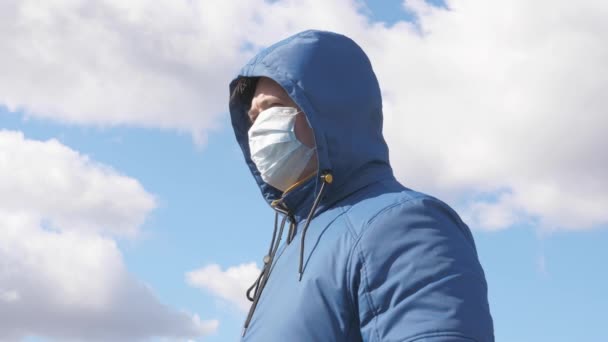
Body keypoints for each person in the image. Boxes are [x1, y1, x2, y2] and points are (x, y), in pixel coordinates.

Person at [228, 30, 494, 342]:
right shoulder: (291, 251)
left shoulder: (403, 226)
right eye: (253, 116)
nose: (257, 128)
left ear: (328, 109)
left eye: (271, 108)